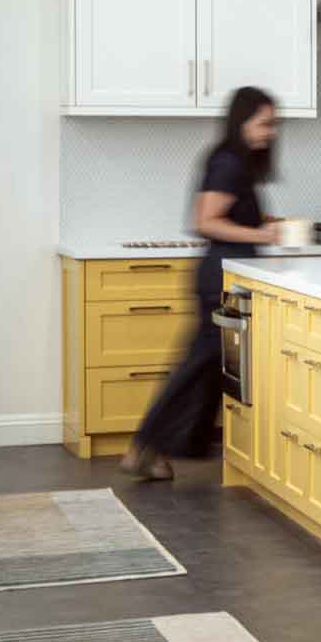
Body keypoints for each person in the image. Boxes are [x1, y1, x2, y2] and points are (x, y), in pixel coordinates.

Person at [126, 86, 281, 481]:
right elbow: (206, 221)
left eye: (273, 124)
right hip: (219, 279)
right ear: (242, 121)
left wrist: (262, 225)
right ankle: (144, 444)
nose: (271, 131)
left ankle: (156, 450)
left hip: (226, 275)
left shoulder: (235, 162)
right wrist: (262, 237)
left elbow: (229, 218)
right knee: (198, 367)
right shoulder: (228, 162)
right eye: (264, 123)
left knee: (208, 369)